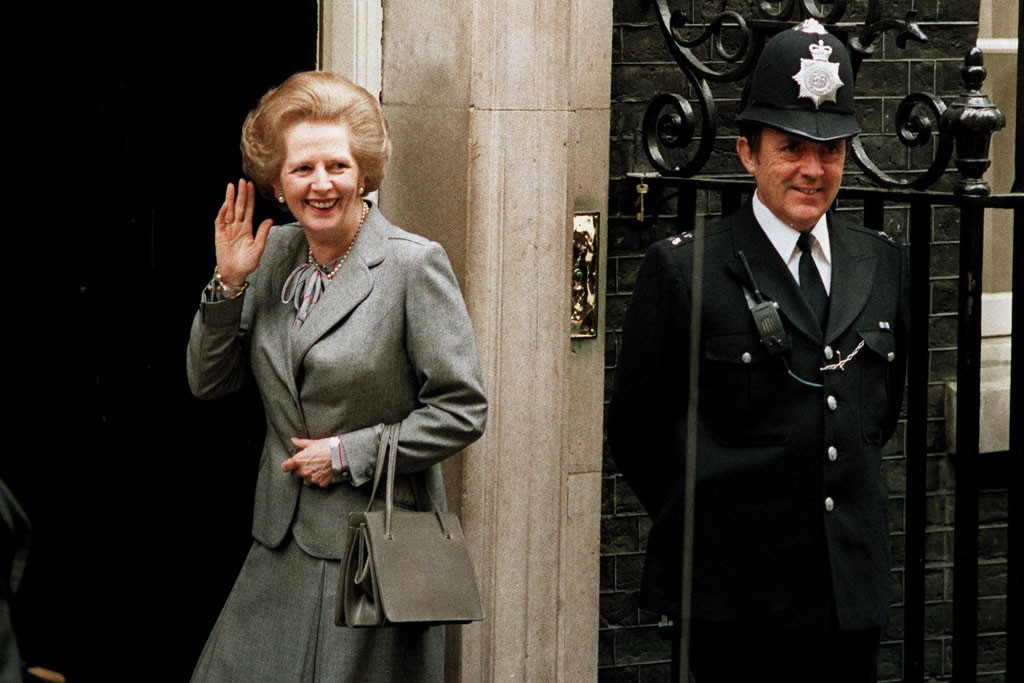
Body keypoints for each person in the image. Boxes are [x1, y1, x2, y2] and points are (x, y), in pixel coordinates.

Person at [609, 19, 909, 683]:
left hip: (845, 602)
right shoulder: (686, 270)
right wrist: (717, 519)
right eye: (792, 147)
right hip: (731, 603)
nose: (812, 169)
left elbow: (877, 417)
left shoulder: (882, 263)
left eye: (830, 151)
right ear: (748, 153)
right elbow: (638, 434)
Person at [186, 71, 487, 682]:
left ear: (364, 173)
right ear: (276, 182)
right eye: (302, 169)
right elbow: (207, 382)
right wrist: (229, 285)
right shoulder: (268, 256)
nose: (321, 184)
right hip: (279, 543)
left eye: (338, 166)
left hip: (369, 552)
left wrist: (350, 453)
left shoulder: (411, 264)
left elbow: (462, 409)